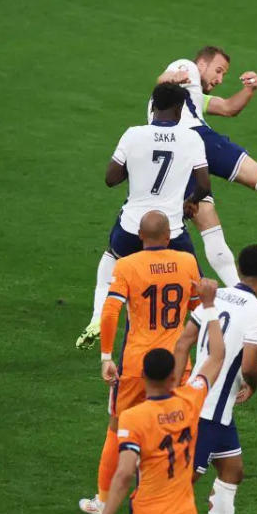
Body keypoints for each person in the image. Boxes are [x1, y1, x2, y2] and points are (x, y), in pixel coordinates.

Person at [83, 277, 226, 514]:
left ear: (145, 376)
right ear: (173, 375)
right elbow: (217, 356)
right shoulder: (191, 401)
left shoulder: (135, 418)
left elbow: (122, 476)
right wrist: (209, 306)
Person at [79, 211, 201, 514]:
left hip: (136, 365)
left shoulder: (127, 265)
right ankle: (164, 498)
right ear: (169, 237)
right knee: (172, 428)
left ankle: (104, 502)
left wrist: (106, 356)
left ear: (140, 237)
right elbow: (200, 309)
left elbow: (110, 312)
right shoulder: (187, 262)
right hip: (177, 363)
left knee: (117, 429)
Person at [76, 83, 210, 350]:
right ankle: (209, 334)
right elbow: (204, 187)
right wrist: (190, 202)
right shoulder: (192, 139)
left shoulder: (133, 134)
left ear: (153, 106)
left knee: (111, 258)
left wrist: (136, 166)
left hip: (131, 227)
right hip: (171, 229)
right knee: (196, 283)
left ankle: (96, 317)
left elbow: (110, 179)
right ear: (181, 109)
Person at [154, 45, 257, 265]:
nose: (220, 79)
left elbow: (228, 107)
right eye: (218, 70)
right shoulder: (187, 67)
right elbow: (164, 78)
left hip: (175, 157)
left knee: (210, 229)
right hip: (198, 138)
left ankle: (234, 288)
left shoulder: (191, 96)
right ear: (201, 64)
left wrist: (249, 89)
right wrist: (172, 76)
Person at [171, 244, 257, 514]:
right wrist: (252, 384)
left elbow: (183, 342)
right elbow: (251, 363)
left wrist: (174, 386)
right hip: (208, 412)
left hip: (209, 406)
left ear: (240, 269)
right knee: (180, 484)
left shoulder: (217, 297)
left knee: (233, 470)